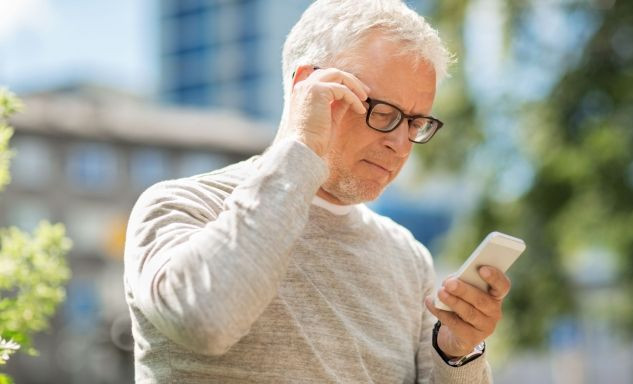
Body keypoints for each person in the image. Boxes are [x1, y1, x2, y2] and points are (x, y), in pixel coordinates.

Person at [123, 0, 511, 382]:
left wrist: (457, 354)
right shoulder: (180, 206)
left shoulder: (407, 258)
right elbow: (207, 320)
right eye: (383, 113)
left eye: (415, 122)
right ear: (306, 87)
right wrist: (303, 146)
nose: (400, 143)